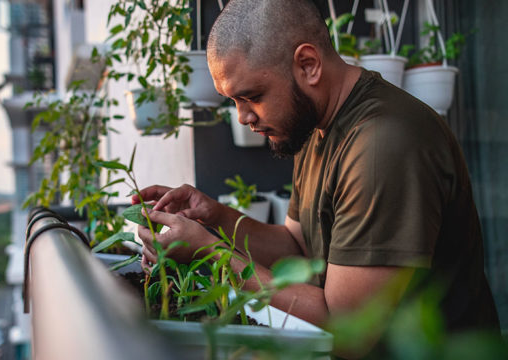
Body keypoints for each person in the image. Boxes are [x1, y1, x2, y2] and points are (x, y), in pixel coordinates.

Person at [133, 0, 500, 356]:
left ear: (308, 65)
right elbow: (298, 246)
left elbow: (350, 331)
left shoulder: (383, 144)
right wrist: (216, 220)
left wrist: (212, 254)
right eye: (233, 101)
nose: (243, 116)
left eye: (253, 96)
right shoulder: (314, 127)